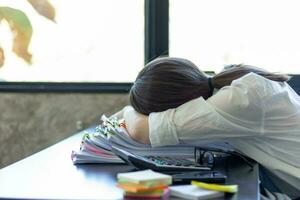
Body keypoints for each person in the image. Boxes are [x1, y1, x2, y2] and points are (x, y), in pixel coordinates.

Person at [114, 57, 300, 198]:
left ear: (179, 108)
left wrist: (129, 110)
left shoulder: (234, 100)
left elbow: (141, 131)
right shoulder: (235, 82)